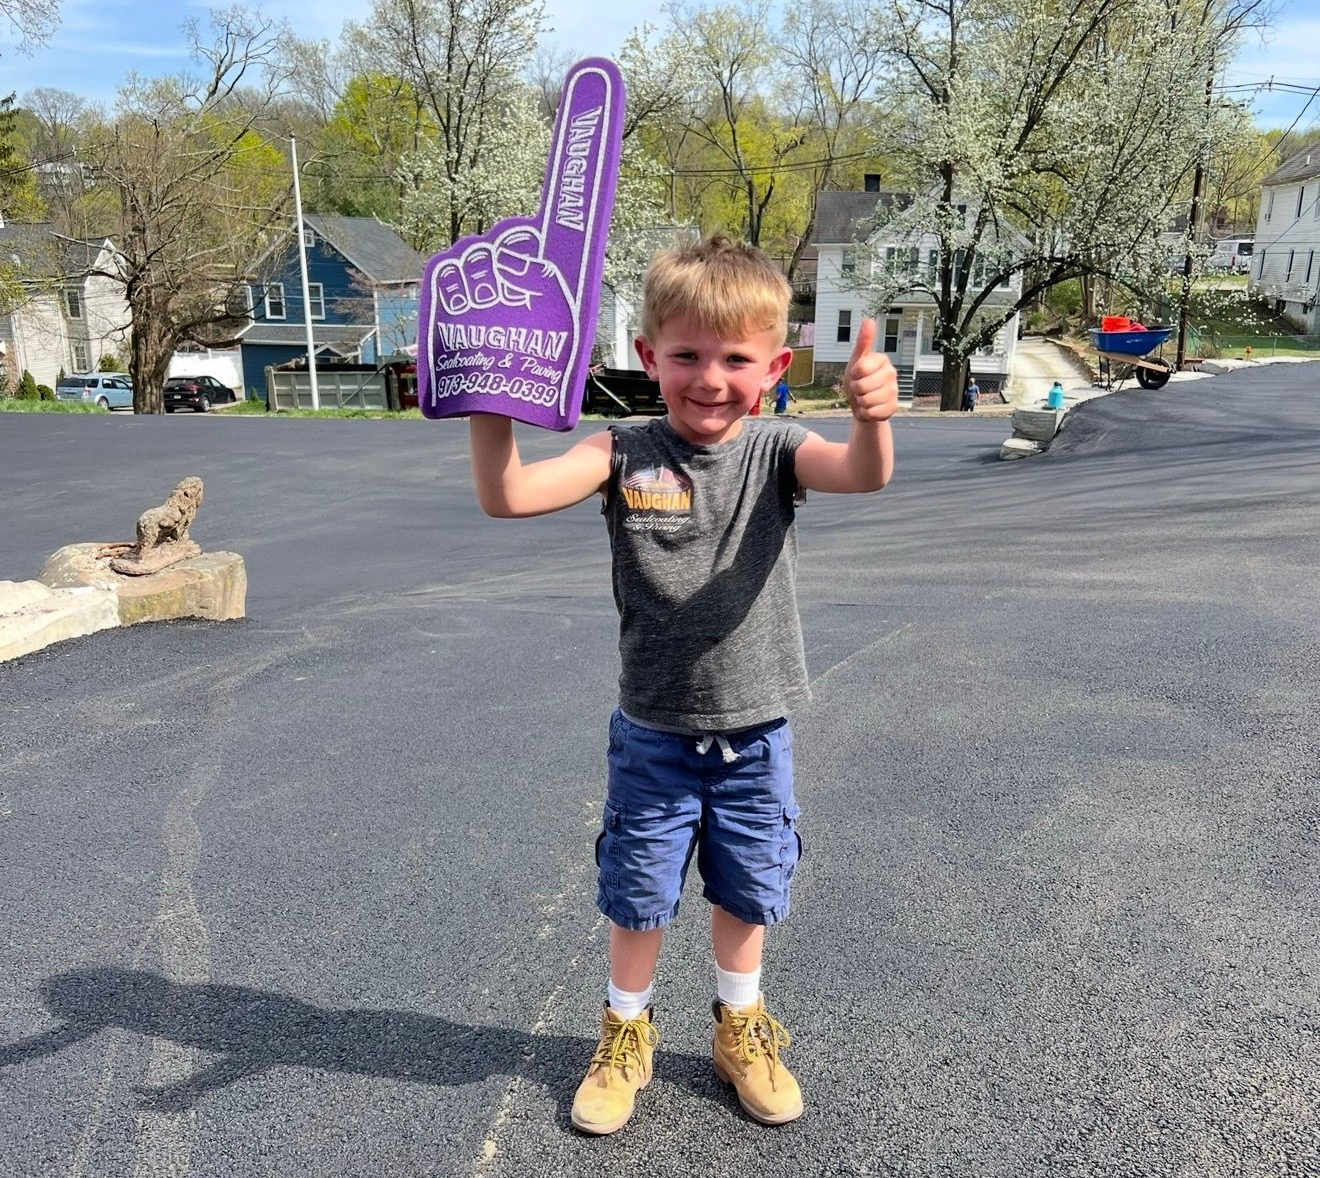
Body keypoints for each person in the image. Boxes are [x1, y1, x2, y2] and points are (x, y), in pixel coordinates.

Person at [467, 234, 897, 1136]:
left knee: (747, 891)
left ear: (775, 366)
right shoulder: (622, 453)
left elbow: (861, 474)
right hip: (655, 735)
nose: (710, 378)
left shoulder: (778, 449)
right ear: (646, 355)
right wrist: (488, 403)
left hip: (755, 733)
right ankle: (626, 1032)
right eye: (687, 355)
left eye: (736, 358)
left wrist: (873, 417)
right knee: (638, 892)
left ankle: (741, 1026)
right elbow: (507, 497)